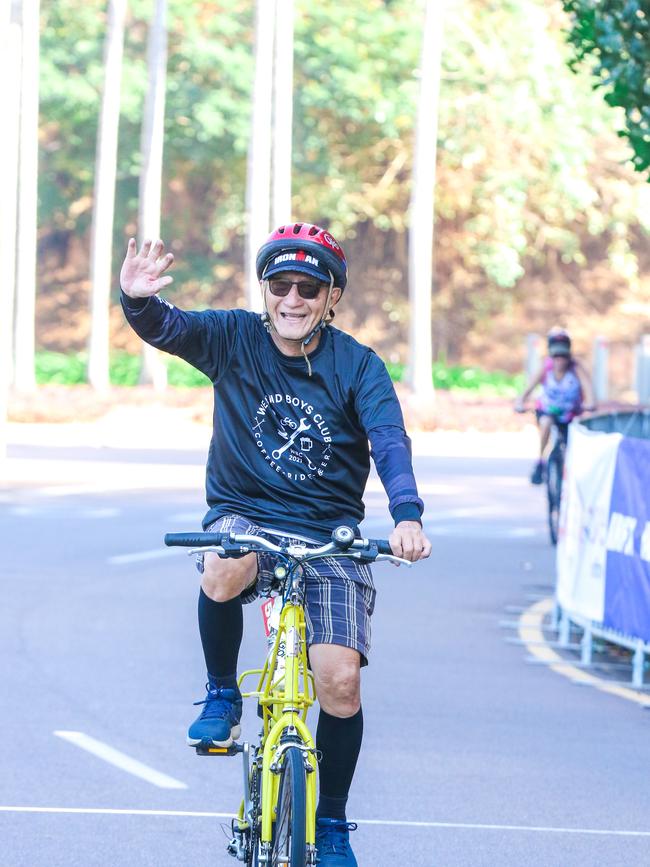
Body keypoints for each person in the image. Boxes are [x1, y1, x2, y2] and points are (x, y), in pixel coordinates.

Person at [119, 223, 431, 867]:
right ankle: (221, 693)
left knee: (340, 685)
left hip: (330, 537)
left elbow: (390, 442)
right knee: (223, 565)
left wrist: (407, 515)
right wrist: (138, 300)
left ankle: (335, 822)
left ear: (331, 296)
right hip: (245, 515)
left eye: (308, 288)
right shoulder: (234, 338)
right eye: (281, 285)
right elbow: (167, 328)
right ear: (266, 291)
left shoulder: (358, 365)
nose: (293, 299)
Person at [515, 327, 595, 484]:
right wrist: (519, 402)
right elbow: (527, 389)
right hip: (547, 411)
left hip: (571, 414)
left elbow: (590, 393)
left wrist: (590, 405)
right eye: (556, 356)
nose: (559, 360)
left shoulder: (577, 368)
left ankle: (572, 475)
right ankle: (540, 462)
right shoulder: (546, 367)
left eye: (563, 356)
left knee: (574, 441)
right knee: (546, 423)